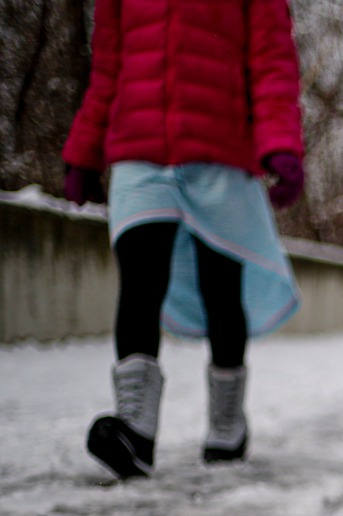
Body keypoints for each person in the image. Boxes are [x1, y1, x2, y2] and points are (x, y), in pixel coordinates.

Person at [62, 0, 306, 479]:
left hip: (219, 150)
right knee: (139, 278)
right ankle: (136, 429)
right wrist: (85, 149)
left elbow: (271, 60)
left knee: (221, 288)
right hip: (139, 149)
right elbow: (109, 65)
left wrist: (280, 141)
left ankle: (226, 421)